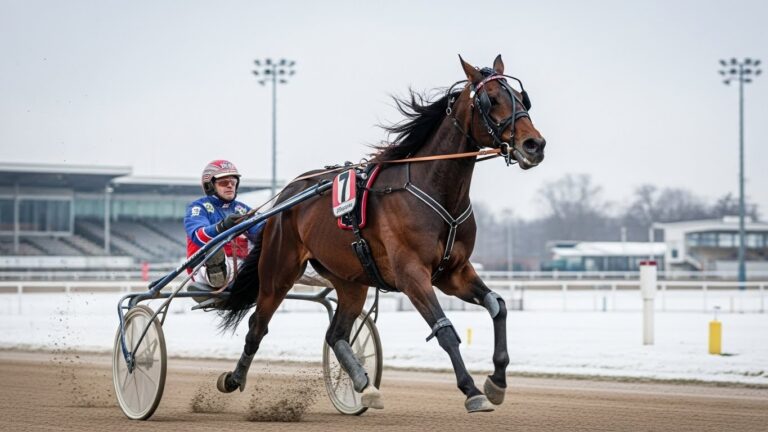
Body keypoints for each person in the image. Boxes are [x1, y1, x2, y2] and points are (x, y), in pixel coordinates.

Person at [184, 160, 264, 289]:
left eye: (233, 182)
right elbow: (199, 236)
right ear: (210, 186)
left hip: (243, 265)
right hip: (202, 266)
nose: (230, 186)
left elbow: (262, 231)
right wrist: (222, 226)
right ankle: (217, 273)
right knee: (216, 252)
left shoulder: (242, 209)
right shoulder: (198, 208)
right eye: (223, 183)